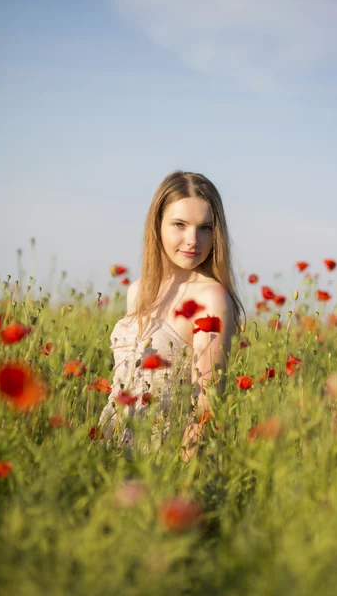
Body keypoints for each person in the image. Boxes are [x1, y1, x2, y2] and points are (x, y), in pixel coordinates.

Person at [98, 170, 245, 461]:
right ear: (157, 225)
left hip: (162, 457)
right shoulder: (138, 291)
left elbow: (206, 406)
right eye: (180, 224)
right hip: (110, 446)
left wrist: (179, 480)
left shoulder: (211, 297)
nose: (193, 240)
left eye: (205, 228)